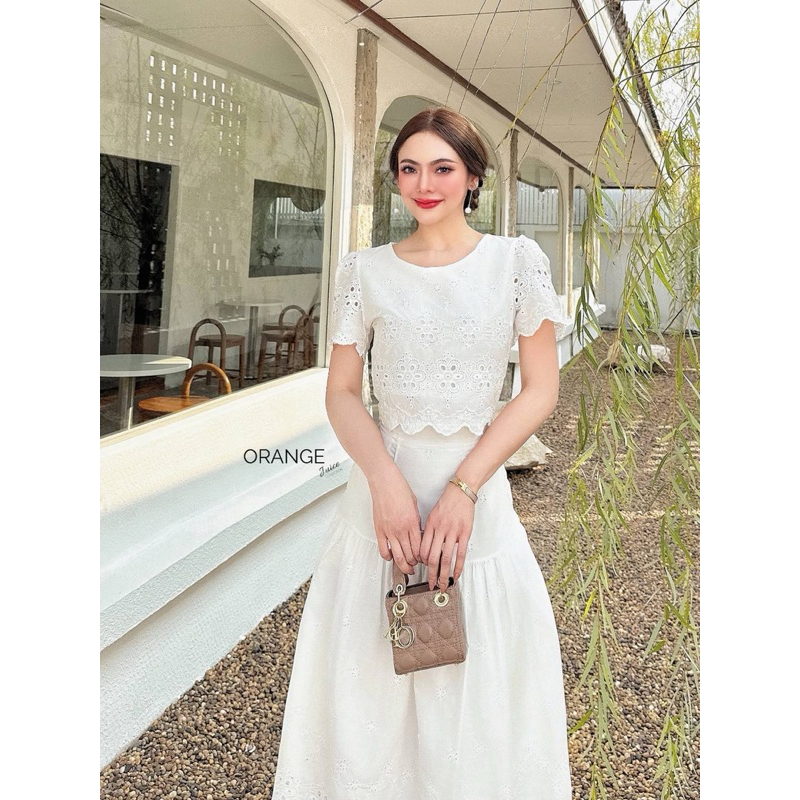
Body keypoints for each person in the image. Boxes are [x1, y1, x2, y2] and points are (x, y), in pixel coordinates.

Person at [272, 107, 573, 799]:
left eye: (442, 168)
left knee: (476, 676)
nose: (424, 184)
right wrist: (384, 481)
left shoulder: (516, 263)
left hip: (477, 502)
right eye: (409, 169)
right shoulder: (364, 270)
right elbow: (341, 393)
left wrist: (465, 490)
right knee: (369, 678)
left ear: (473, 178)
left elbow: (539, 391)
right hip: (380, 506)